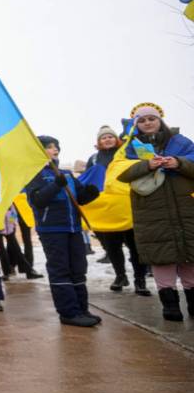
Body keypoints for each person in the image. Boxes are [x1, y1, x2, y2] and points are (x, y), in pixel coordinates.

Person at [117, 103, 194, 321]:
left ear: (160, 120)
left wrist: (178, 162)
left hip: (186, 209)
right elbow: (121, 173)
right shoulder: (128, 148)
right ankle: (170, 307)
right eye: (141, 121)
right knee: (162, 257)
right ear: (135, 125)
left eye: (151, 118)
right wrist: (147, 166)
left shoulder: (181, 142)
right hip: (151, 212)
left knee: (190, 255)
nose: (147, 123)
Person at [26, 136, 101, 327]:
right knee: (61, 270)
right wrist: (55, 185)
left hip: (73, 228)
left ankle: (81, 309)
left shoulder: (66, 174)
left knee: (78, 269)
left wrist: (90, 193)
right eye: (49, 147)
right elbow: (37, 201)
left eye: (56, 146)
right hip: (52, 229)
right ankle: (68, 313)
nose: (54, 149)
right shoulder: (34, 174)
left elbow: (79, 199)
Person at [87, 125, 150, 295]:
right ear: (98, 142)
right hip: (107, 210)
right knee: (112, 247)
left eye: (110, 137)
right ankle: (120, 276)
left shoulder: (127, 153)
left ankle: (140, 280)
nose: (107, 139)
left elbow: (144, 165)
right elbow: (88, 181)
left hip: (129, 206)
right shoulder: (93, 159)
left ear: (117, 139)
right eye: (103, 137)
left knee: (135, 246)